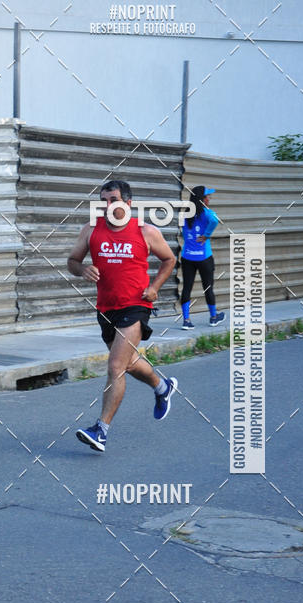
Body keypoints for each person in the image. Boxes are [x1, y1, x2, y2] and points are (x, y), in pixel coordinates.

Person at [68, 179, 177, 453]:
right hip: (106, 308)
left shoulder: (146, 231)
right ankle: (162, 386)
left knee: (115, 366)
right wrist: (81, 270)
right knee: (128, 363)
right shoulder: (91, 230)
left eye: (113, 200)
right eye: (103, 201)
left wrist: (154, 287)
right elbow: (72, 261)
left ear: (127, 203)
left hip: (136, 306)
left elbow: (169, 259)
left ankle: (100, 430)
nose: (107, 206)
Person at [180, 185, 224, 329]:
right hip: (204, 258)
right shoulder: (207, 213)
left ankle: (186, 320)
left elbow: (185, 233)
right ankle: (213, 317)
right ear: (202, 199)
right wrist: (207, 235)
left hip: (187, 257)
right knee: (208, 288)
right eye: (207, 197)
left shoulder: (185, 214)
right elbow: (215, 220)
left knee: (187, 288)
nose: (209, 199)